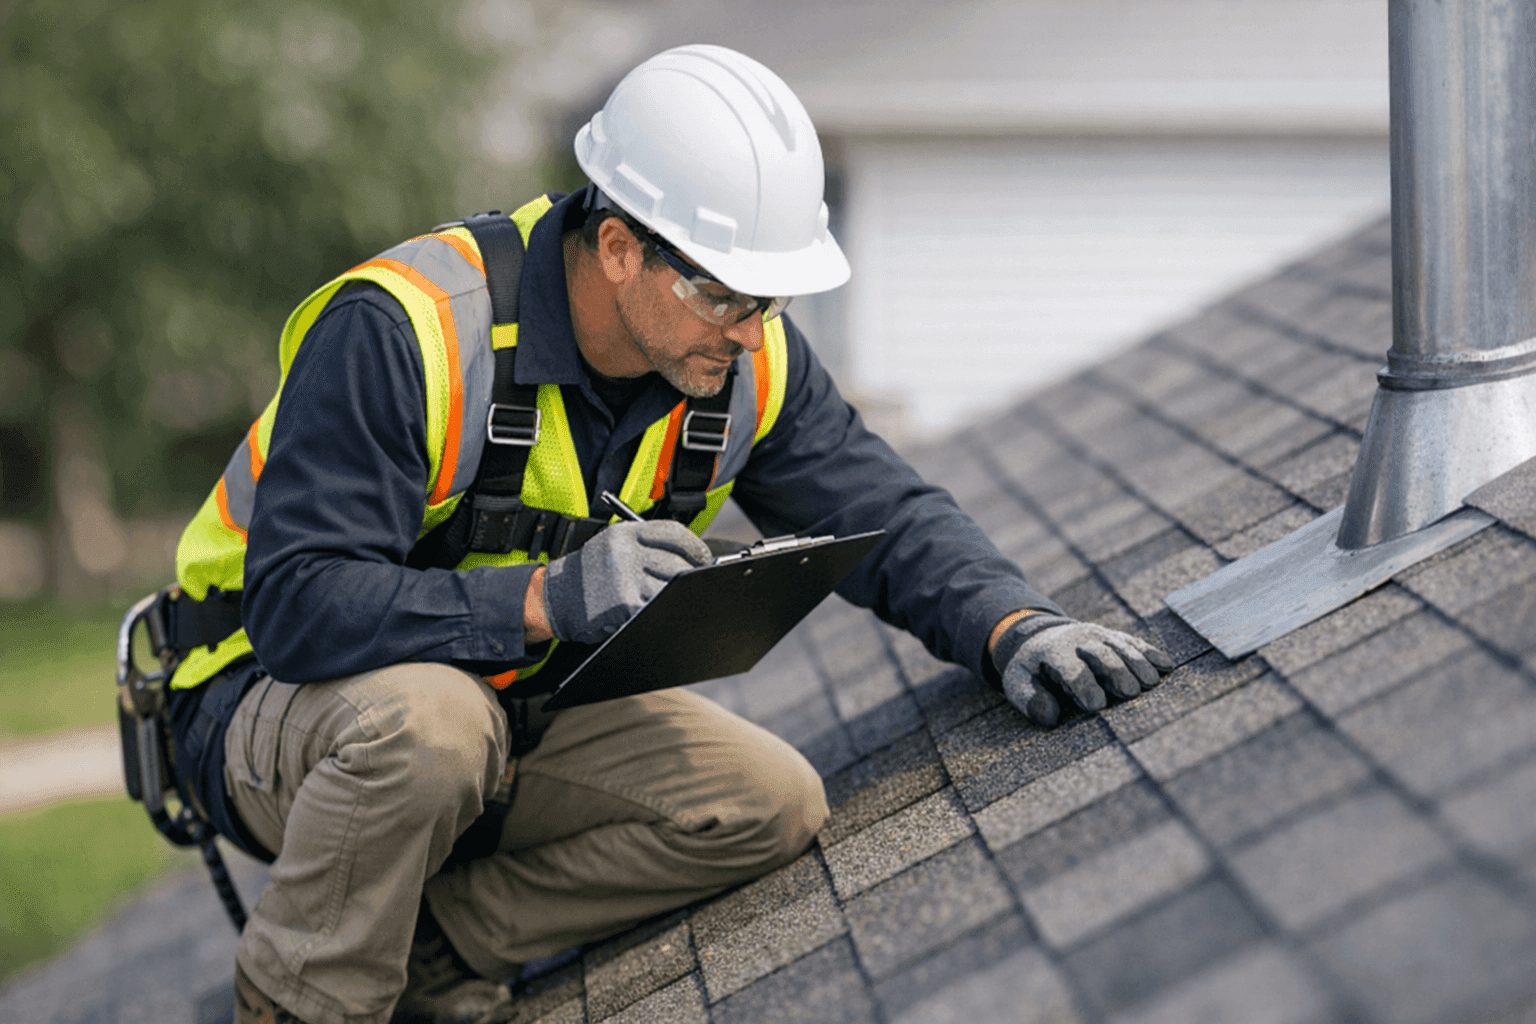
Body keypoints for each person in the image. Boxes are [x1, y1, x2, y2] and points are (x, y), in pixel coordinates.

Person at [163, 44, 1172, 1024]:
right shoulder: (412, 329)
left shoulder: (742, 361)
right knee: (433, 727)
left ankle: (430, 951)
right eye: (724, 294)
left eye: (769, 297)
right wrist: (544, 598)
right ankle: (302, 1000)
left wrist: (1012, 625)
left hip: (504, 705)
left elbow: (886, 510)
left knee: (762, 801)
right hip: (262, 700)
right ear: (617, 249)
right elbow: (299, 607)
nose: (750, 330)